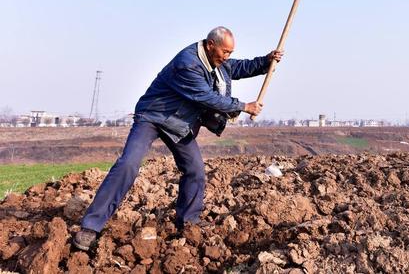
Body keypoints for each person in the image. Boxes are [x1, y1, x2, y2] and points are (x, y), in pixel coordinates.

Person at [73, 26, 282, 250]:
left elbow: (238, 67)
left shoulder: (217, 62)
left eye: (230, 52)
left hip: (180, 124)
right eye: (225, 52)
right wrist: (243, 106)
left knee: (195, 171)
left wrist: (265, 61)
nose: (227, 57)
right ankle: (91, 227)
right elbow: (206, 97)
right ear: (210, 45)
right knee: (129, 164)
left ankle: (188, 224)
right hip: (153, 116)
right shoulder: (188, 63)